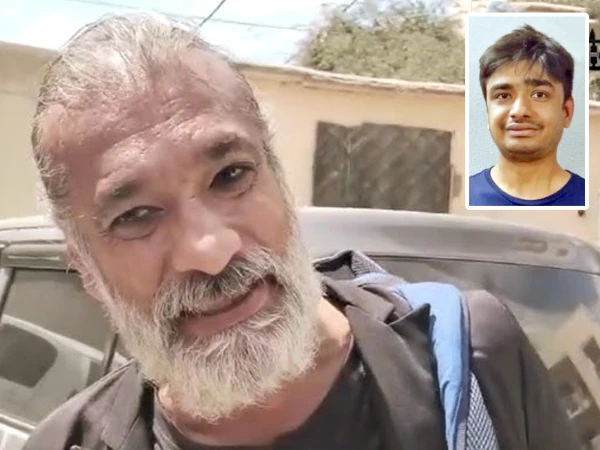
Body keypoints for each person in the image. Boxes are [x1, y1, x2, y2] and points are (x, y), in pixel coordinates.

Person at [24, 13, 579, 450]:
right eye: (136, 216)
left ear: (278, 175)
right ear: (85, 267)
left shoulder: (474, 358)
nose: (211, 251)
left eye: (230, 176)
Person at [469, 25, 585, 207]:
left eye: (539, 94)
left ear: (566, 112)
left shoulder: (591, 201)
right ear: (488, 114)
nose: (519, 111)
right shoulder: (464, 198)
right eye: (503, 96)